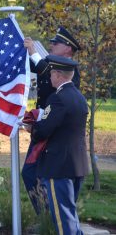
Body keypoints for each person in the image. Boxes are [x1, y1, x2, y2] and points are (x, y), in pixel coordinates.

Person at [22, 26, 82, 214]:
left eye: (56, 44)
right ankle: (47, 214)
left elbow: (45, 71)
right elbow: (32, 64)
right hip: (43, 126)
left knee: (44, 174)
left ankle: (53, 215)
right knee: (31, 173)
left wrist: (33, 51)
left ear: (68, 49)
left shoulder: (70, 71)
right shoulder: (49, 63)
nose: (51, 45)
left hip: (55, 132)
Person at [29, 55, 89, 234]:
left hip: (58, 165)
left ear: (58, 75)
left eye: (52, 74)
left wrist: (31, 128)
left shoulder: (58, 98)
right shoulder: (79, 97)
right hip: (77, 163)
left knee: (63, 219)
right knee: (70, 214)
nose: (50, 78)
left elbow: (43, 131)